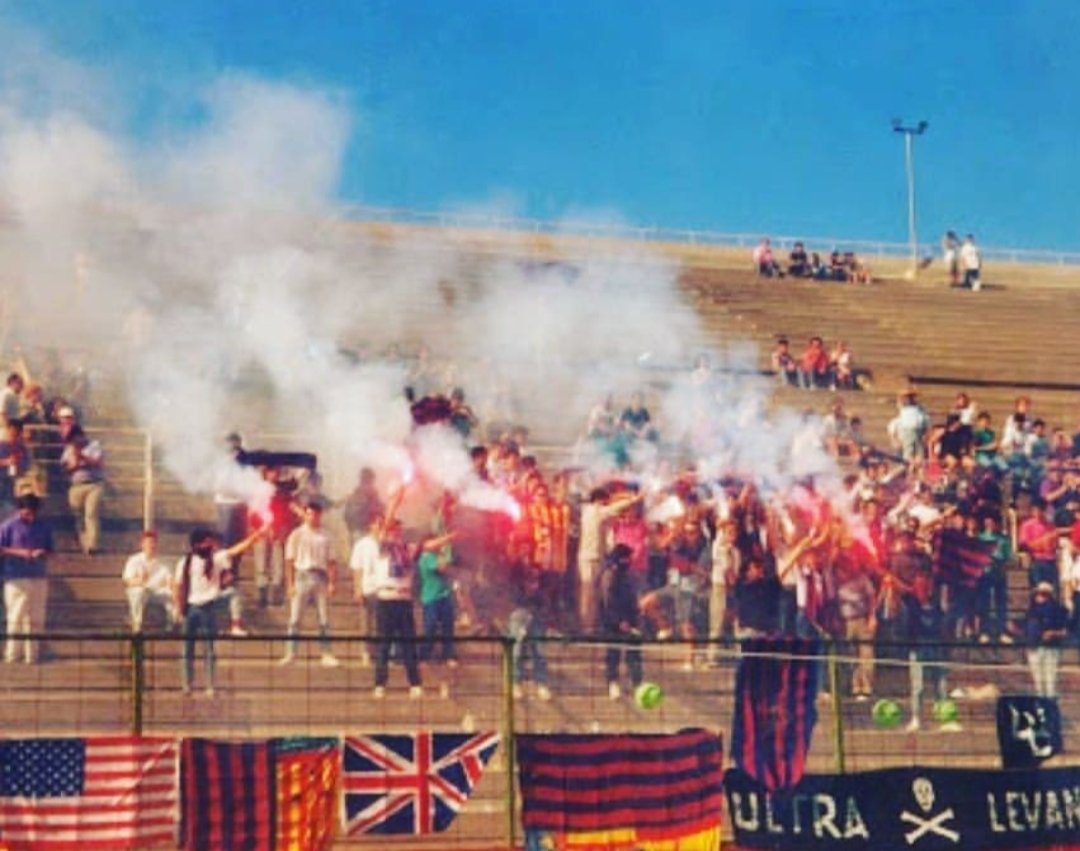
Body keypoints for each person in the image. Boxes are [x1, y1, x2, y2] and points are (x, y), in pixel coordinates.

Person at [174, 525, 263, 696]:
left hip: (209, 607)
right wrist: (178, 609)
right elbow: (178, 586)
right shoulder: (185, 562)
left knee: (209, 649)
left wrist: (254, 537)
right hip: (191, 608)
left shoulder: (217, 559)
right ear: (197, 544)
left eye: (212, 542)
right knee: (187, 650)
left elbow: (235, 550)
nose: (211, 545)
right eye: (207, 542)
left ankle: (210, 685)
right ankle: (187, 685)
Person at [279, 500, 341, 668]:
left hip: (320, 576)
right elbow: (289, 561)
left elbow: (332, 562)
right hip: (301, 576)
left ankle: (326, 654)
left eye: (316, 514)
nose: (313, 517)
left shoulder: (327, 535)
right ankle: (291, 653)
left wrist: (332, 583)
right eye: (310, 513)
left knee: (324, 618)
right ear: (305, 514)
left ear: (320, 515)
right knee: (295, 618)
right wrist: (290, 584)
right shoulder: (296, 534)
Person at [0, 494, 54, 664]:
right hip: (15, 576)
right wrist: (21, 553)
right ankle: (12, 655)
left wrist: (41, 553)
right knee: (16, 616)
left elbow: (51, 550)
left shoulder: (44, 527)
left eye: (31, 512)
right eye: (25, 512)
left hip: (38, 575)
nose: (28, 515)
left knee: (36, 617)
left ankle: (32, 655)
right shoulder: (8, 526)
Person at [600, 544, 644, 700]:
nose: (628, 561)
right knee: (613, 653)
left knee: (635, 654)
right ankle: (613, 682)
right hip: (614, 622)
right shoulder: (609, 576)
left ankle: (636, 683)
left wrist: (635, 619)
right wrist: (618, 621)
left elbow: (635, 598)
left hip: (631, 619)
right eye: (625, 558)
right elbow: (608, 602)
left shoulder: (631, 576)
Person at [60, 424, 105, 555]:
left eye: (74, 439)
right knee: (77, 516)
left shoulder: (94, 445)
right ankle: (83, 544)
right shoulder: (68, 449)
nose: (73, 442)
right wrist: (73, 465)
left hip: (94, 484)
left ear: (80, 435)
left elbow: (98, 462)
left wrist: (82, 457)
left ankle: (92, 545)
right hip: (76, 486)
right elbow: (64, 467)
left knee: (91, 514)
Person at [122, 530, 176, 632]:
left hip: (156, 593)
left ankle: (171, 624)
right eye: (148, 543)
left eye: (154, 543)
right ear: (142, 545)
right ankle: (136, 625)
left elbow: (170, 581)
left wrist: (173, 589)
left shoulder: (163, 562)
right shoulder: (134, 560)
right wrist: (141, 581)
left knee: (171, 593)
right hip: (140, 591)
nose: (151, 546)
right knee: (139, 591)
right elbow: (127, 581)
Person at [1025, 582, 1068, 698]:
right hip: (1034, 648)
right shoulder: (1031, 611)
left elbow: (1065, 631)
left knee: (1050, 682)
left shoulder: (1059, 610)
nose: (1040, 596)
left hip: (1050, 649)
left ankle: (1050, 708)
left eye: (1044, 594)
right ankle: (1042, 709)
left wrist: (1053, 633)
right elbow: (1026, 629)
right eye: (1038, 594)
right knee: (1038, 683)